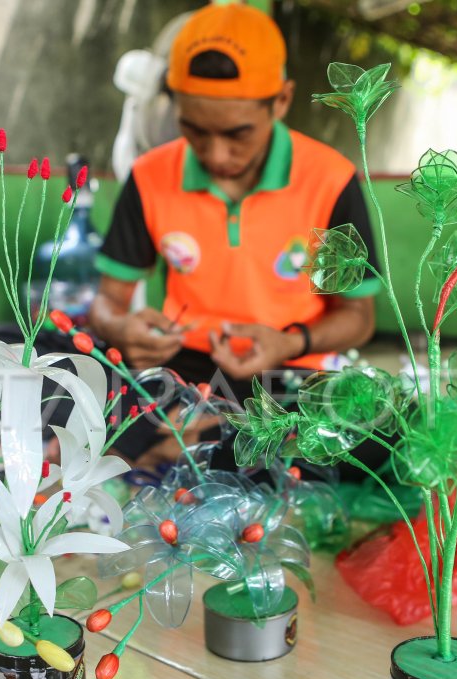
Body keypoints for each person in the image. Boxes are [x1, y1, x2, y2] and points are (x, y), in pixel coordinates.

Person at [90, 2, 381, 411]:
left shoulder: (331, 180)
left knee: (358, 428)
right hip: (182, 367)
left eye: (237, 134)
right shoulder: (150, 175)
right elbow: (106, 303)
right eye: (193, 129)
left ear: (281, 101)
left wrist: (290, 341)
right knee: (62, 382)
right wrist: (122, 328)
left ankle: (187, 442)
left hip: (291, 369)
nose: (216, 154)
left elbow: (358, 315)